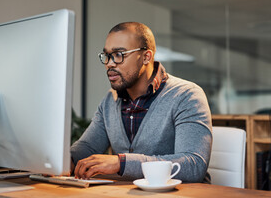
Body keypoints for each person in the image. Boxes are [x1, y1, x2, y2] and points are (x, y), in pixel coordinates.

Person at [70, 22, 212, 183]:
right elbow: (87, 147)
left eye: (119, 54)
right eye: (107, 56)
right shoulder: (110, 100)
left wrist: (122, 163)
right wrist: (66, 160)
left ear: (146, 57)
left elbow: (194, 165)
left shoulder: (186, 95)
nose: (109, 63)